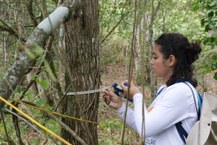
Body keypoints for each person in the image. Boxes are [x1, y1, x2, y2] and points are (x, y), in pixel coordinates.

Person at [102, 33, 202, 145]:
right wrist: (120, 107)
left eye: (155, 57)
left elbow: (145, 128)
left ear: (170, 60)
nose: (151, 61)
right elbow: (143, 125)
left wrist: (136, 95)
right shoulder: (165, 90)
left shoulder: (182, 92)